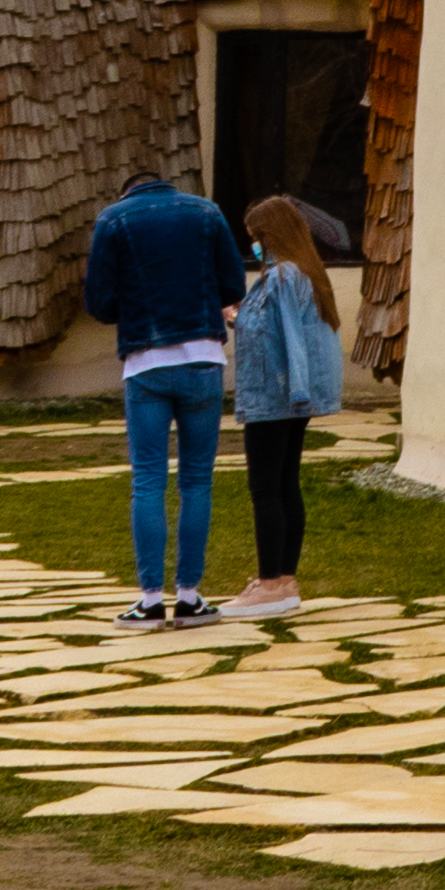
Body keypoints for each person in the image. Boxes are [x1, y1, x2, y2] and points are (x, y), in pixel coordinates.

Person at [80, 159, 248, 624]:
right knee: (197, 481)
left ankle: (150, 599)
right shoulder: (208, 212)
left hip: (146, 361)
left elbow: (98, 300)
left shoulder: (114, 219)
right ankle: (190, 595)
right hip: (203, 360)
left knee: (149, 481)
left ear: (127, 190)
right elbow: (233, 285)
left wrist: (131, 308)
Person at [226, 193, 349, 615]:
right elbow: (279, 329)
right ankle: (285, 578)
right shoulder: (309, 274)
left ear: (271, 233)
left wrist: (297, 392)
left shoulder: (281, 276)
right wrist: (240, 316)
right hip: (294, 398)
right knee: (285, 484)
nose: (254, 245)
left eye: (256, 236)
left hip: (275, 396)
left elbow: (293, 341)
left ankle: (270, 582)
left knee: (265, 488)